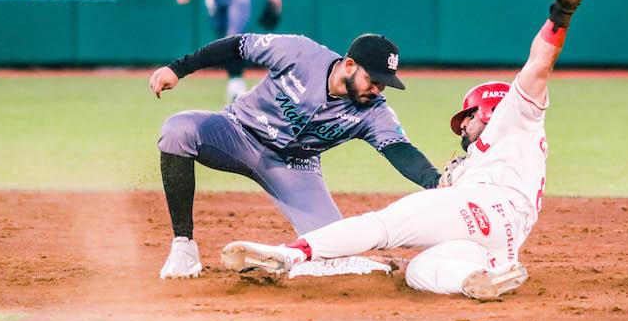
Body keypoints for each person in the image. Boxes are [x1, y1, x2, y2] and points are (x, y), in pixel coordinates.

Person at [220, 0, 597, 301]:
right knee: (419, 270)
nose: (463, 124)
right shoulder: (483, 160)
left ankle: (290, 254)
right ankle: (476, 280)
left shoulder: (516, 116)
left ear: (491, 108)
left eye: (468, 115)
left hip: (479, 203)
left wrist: (561, 13)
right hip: (505, 239)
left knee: (381, 225)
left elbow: (539, 64)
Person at [150, 32, 442, 279]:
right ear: (350, 65)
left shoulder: (374, 111)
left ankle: (283, 258)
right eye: (373, 79)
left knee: (331, 249)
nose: (377, 89)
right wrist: (178, 69)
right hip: (238, 132)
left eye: (384, 84)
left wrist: (435, 181)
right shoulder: (300, 53)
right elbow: (238, 46)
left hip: (294, 166)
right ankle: (184, 247)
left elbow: (399, 149)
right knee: (179, 130)